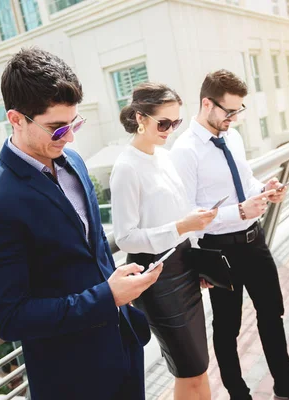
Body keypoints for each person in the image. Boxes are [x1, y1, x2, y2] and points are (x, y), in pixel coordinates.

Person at [0, 47, 162, 400]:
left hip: (124, 346)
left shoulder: (74, 162)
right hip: (71, 377)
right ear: (16, 119)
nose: (69, 137)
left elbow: (93, 251)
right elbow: (10, 317)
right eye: (57, 128)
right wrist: (106, 297)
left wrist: (121, 288)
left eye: (74, 123)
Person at [170, 70, 289, 400]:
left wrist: (265, 189)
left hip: (253, 241)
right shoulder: (184, 151)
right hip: (219, 251)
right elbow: (187, 215)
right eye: (229, 111)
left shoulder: (232, 136)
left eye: (238, 111)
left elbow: (242, 183)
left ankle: (287, 384)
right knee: (228, 329)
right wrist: (239, 212)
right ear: (206, 103)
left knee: (273, 312)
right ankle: (238, 394)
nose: (234, 118)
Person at [110, 82, 217, 400]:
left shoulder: (165, 157)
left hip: (184, 265)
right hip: (157, 278)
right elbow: (125, 238)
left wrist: (196, 249)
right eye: (164, 122)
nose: (170, 129)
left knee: (199, 365)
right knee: (189, 368)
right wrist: (180, 226)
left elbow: (177, 213)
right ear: (140, 118)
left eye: (177, 122)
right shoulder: (126, 168)